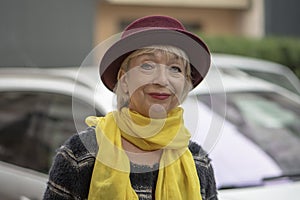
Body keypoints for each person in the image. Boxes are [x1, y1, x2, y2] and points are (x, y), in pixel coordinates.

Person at [43, 15, 218, 200]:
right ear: (124, 80)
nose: (162, 80)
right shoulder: (81, 154)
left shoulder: (197, 160)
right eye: (147, 65)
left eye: (175, 68)